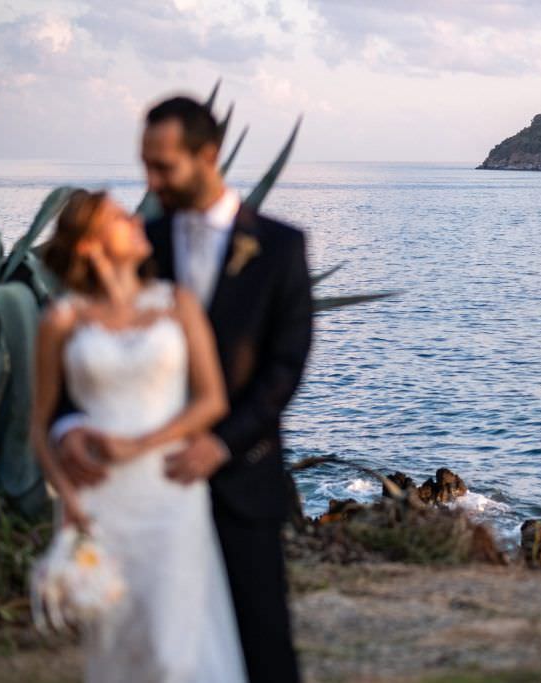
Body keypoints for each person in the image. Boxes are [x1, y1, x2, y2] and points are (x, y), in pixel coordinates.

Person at [51, 95, 312, 683]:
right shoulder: (139, 240)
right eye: (145, 163)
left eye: (163, 166)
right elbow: (88, 345)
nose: (150, 180)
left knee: (261, 645)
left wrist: (220, 443)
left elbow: (283, 369)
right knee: (154, 645)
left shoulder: (280, 248)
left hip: (242, 475)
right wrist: (67, 427)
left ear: (208, 155)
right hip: (145, 488)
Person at [31, 189, 248, 682]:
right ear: (88, 245)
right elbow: (40, 428)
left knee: (176, 648)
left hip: (171, 488)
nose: (134, 219)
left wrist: (141, 445)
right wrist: (70, 502)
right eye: (116, 218)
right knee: (119, 645)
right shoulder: (61, 321)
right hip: (99, 501)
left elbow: (211, 400)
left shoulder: (178, 305)